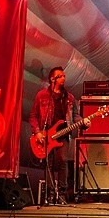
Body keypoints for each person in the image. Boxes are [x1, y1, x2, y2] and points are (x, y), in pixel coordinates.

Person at [29, 67, 81, 204]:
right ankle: (50, 194)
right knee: (49, 164)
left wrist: (83, 122)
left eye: (64, 76)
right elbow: (33, 116)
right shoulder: (42, 95)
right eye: (60, 76)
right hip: (46, 135)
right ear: (53, 79)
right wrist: (37, 132)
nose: (64, 78)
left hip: (63, 134)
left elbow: (75, 116)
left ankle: (62, 194)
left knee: (63, 161)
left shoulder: (69, 97)